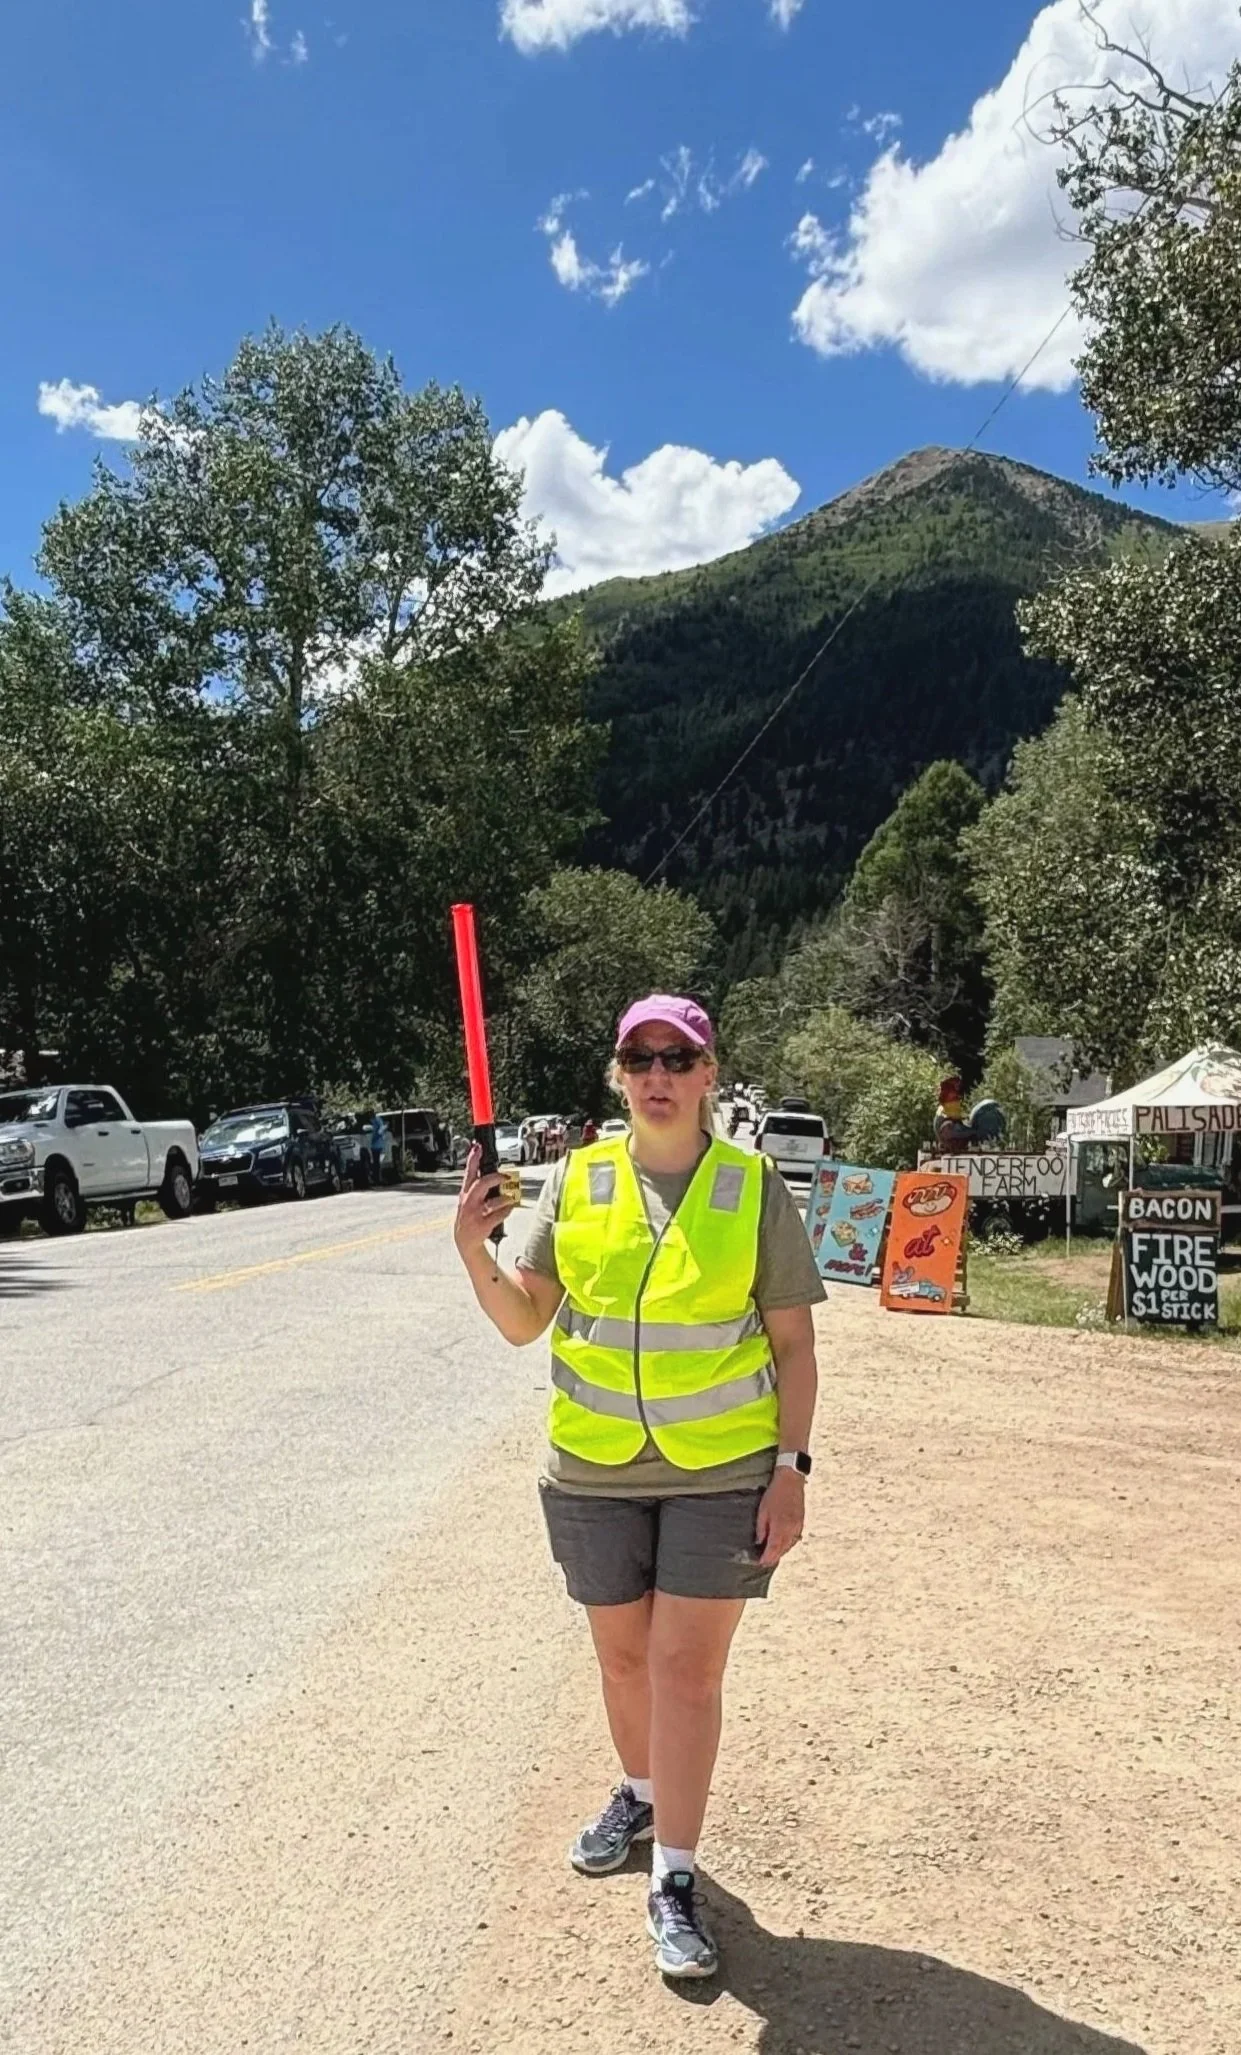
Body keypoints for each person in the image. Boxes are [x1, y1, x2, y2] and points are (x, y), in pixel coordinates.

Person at [454, 994, 823, 1981]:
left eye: (677, 1057)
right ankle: (637, 1789)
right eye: (637, 1057)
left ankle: (674, 1874)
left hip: (718, 1471)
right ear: (618, 1076)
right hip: (592, 1469)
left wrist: (790, 1471)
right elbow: (523, 1319)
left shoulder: (751, 1187)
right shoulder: (574, 1182)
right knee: (621, 1663)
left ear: (708, 1074)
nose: (657, 1074)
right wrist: (469, 1253)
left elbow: (792, 1343)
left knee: (681, 1671)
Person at [368, 1108, 389, 1186]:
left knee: (376, 1163)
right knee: (376, 1163)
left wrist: (376, 1136)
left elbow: (380, 1131)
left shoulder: (376, 1120)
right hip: (377, 1145)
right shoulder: (377, 1120)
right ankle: (377, 1179)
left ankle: (377, 1179)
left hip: (377, 1145)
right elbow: (382, 1130)